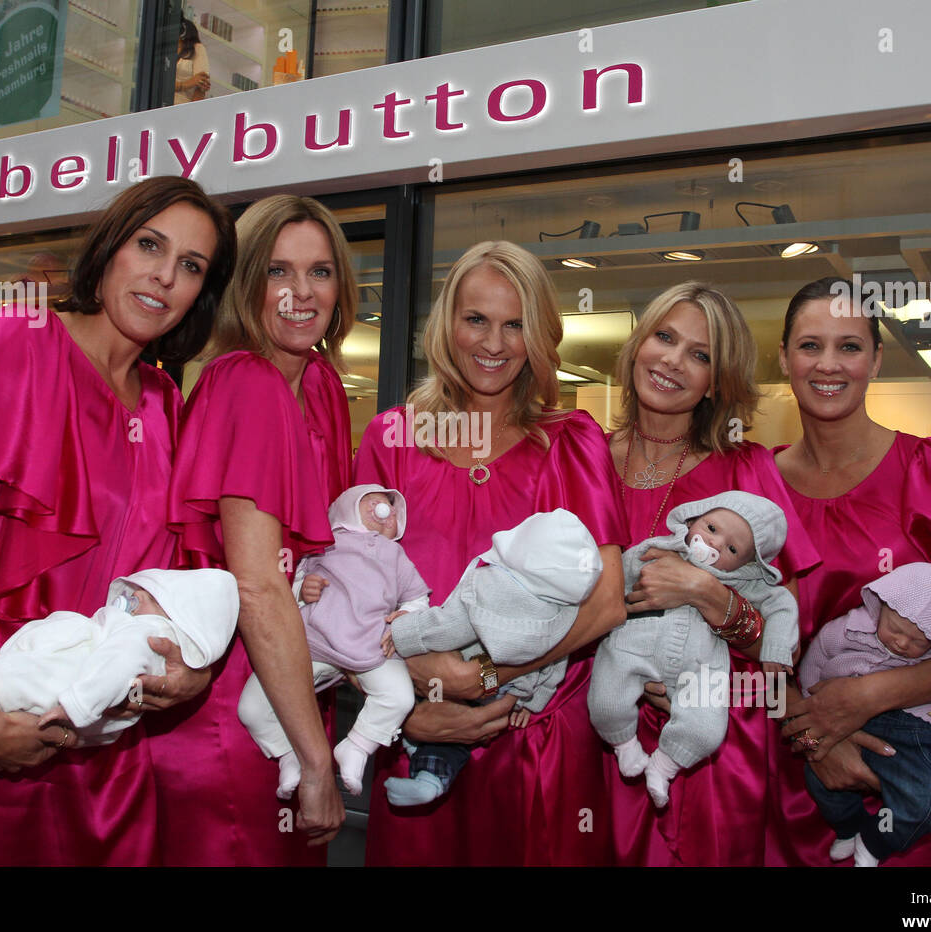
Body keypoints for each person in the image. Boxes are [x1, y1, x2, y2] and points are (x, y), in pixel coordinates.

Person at [0, 175, 236, 865]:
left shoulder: (163, 406)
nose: (163, 277)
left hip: (99, 737)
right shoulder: (19, 342)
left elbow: (162, 585)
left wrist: (188, 671)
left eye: (190, 266)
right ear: (110, 246)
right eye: (149, 245)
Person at [354, 240, 627, 866]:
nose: (495, 344)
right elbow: (352, 597)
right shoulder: (392, 438)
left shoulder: (572, 441)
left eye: (515, 325)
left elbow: (608, 603)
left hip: (539, 750)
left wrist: (479, 680)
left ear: (539, 338)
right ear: (447, 324)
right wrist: (405, 710)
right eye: (477, 319)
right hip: (417, 736)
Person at [771, 276, 931, 866]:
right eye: (810, 345)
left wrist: (867, 695)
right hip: (785, 768)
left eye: (850, 346)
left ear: (877, 360)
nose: (828, 364)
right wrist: (813, 734)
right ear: (784, 357)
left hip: (905, 773)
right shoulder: (755, 482)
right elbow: (731, 634)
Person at [147, 194, 356, 864]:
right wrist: (316, 761)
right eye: (277, 271)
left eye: (320, 272)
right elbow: (259, 587)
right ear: (245, 285)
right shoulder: (249, 382)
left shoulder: (319, 382)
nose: (301, 293)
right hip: (232, 709)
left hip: (289, 685)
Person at [602, 281, 820, 866]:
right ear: (637, 343)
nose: (673, 361)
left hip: (710, 748)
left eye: (700, 355)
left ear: (717, 383)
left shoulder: (747, 470)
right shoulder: (587, 457)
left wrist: (705, 595)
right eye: (664, 337)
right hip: (595, 729)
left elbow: (782, 638)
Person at [0, 568, 238, 846]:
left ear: (175, 609)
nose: (131, 599)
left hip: (64, 686)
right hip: (79, 699)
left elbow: (116, 665)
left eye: (144, 595)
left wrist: (75, 707)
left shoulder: (150, 631)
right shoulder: (142, 631)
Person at [589, 491, 798, 808]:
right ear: (692, 520)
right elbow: (610, 584)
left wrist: (777, 649)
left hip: (701, 667)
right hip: (633, 649)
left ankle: (663, 766)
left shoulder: (743, 582)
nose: (714, 544)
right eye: (711, 528)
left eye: (731, 548)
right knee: (606, 698)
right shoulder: (658, 550)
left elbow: (782, 606)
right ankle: (624, 745)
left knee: (707, 730)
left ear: (747, 564)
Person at [384, 509, 603, 807]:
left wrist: (400, 633)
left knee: (429, 712)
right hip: (508, 693)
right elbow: (556, 663)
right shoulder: (563, 613)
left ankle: (422, 766)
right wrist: (532, 702)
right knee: (458, 730)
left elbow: (445, 627)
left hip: (461, 676)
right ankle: (430, 772)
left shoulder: (491, 588)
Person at [237, 485, 428, 799]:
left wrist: (405, 616)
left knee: (399, 697)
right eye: (378, 503)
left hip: (372, 646)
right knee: (252, 708)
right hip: (314, 644)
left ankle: (357, 746)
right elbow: (294, 583)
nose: (387, 512)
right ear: (348, 508)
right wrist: (303, 590)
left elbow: (419, 597)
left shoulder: (396, 555)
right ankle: (288, 754)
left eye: (394, 512)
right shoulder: (327, 544)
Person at [798, 563, 931, 867]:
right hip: (844, 719)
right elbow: (816, 659)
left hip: (918, 730)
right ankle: (849, 827)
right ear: (880, 607)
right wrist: (811, 703)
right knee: (820, 780)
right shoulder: (848, 629)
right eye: (896, 630)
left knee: (918, 806)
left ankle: (875, 841)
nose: (902, 643)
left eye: (917, 642)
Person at [174, 18, 211, 104]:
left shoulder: (197, 49)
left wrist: (191, 113)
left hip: (182, 107)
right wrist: (185, 84)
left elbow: (201, 87)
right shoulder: (165, 51)